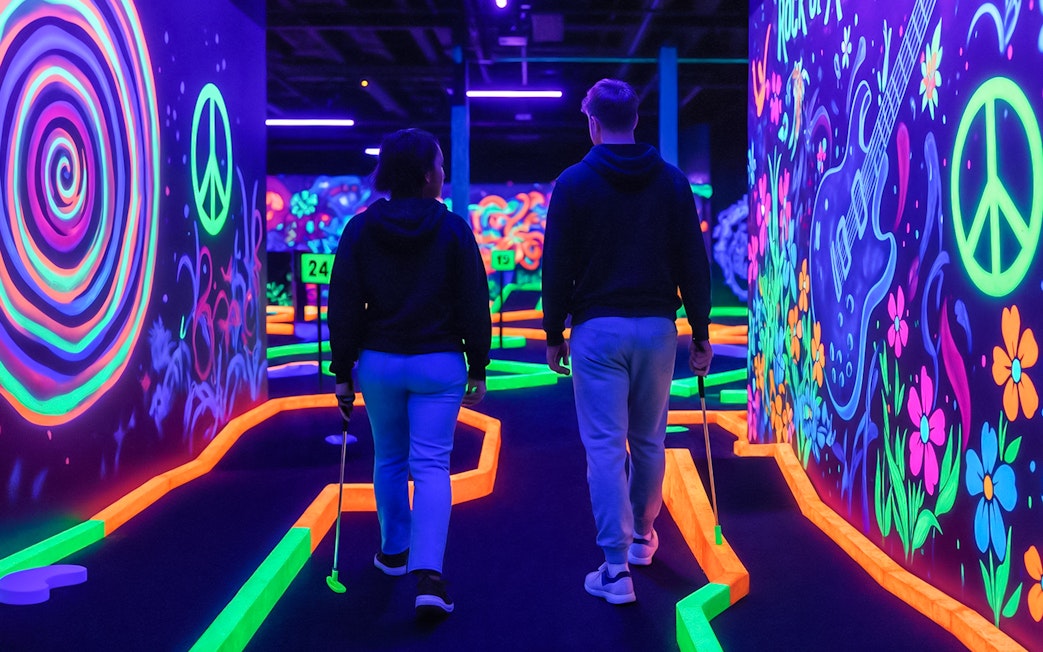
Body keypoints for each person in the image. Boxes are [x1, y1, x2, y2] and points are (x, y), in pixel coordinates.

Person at [542, 78, 714, 604]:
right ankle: (643, 537)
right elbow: (693, 262)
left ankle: (615, 569)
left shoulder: (572, 183)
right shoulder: (672, 182)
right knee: (648, 441)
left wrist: (553, 334)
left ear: (592, 123)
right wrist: (702, 332)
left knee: (603, 448)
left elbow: (557, 265)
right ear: (636, 120)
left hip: (597, 331)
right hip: (658, 329)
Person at [327, 128, 491, 618]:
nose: (444, 172)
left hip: (378, 362)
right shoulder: (454, 229)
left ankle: (393, 552)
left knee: (390, 459)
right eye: (441, 164)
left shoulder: (359, 229)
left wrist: (341, 371)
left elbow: (343, 304)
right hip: (438, 363)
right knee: (432, 466)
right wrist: (478, 363)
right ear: (425, 175)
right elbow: (473, 302)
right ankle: (430, 577)